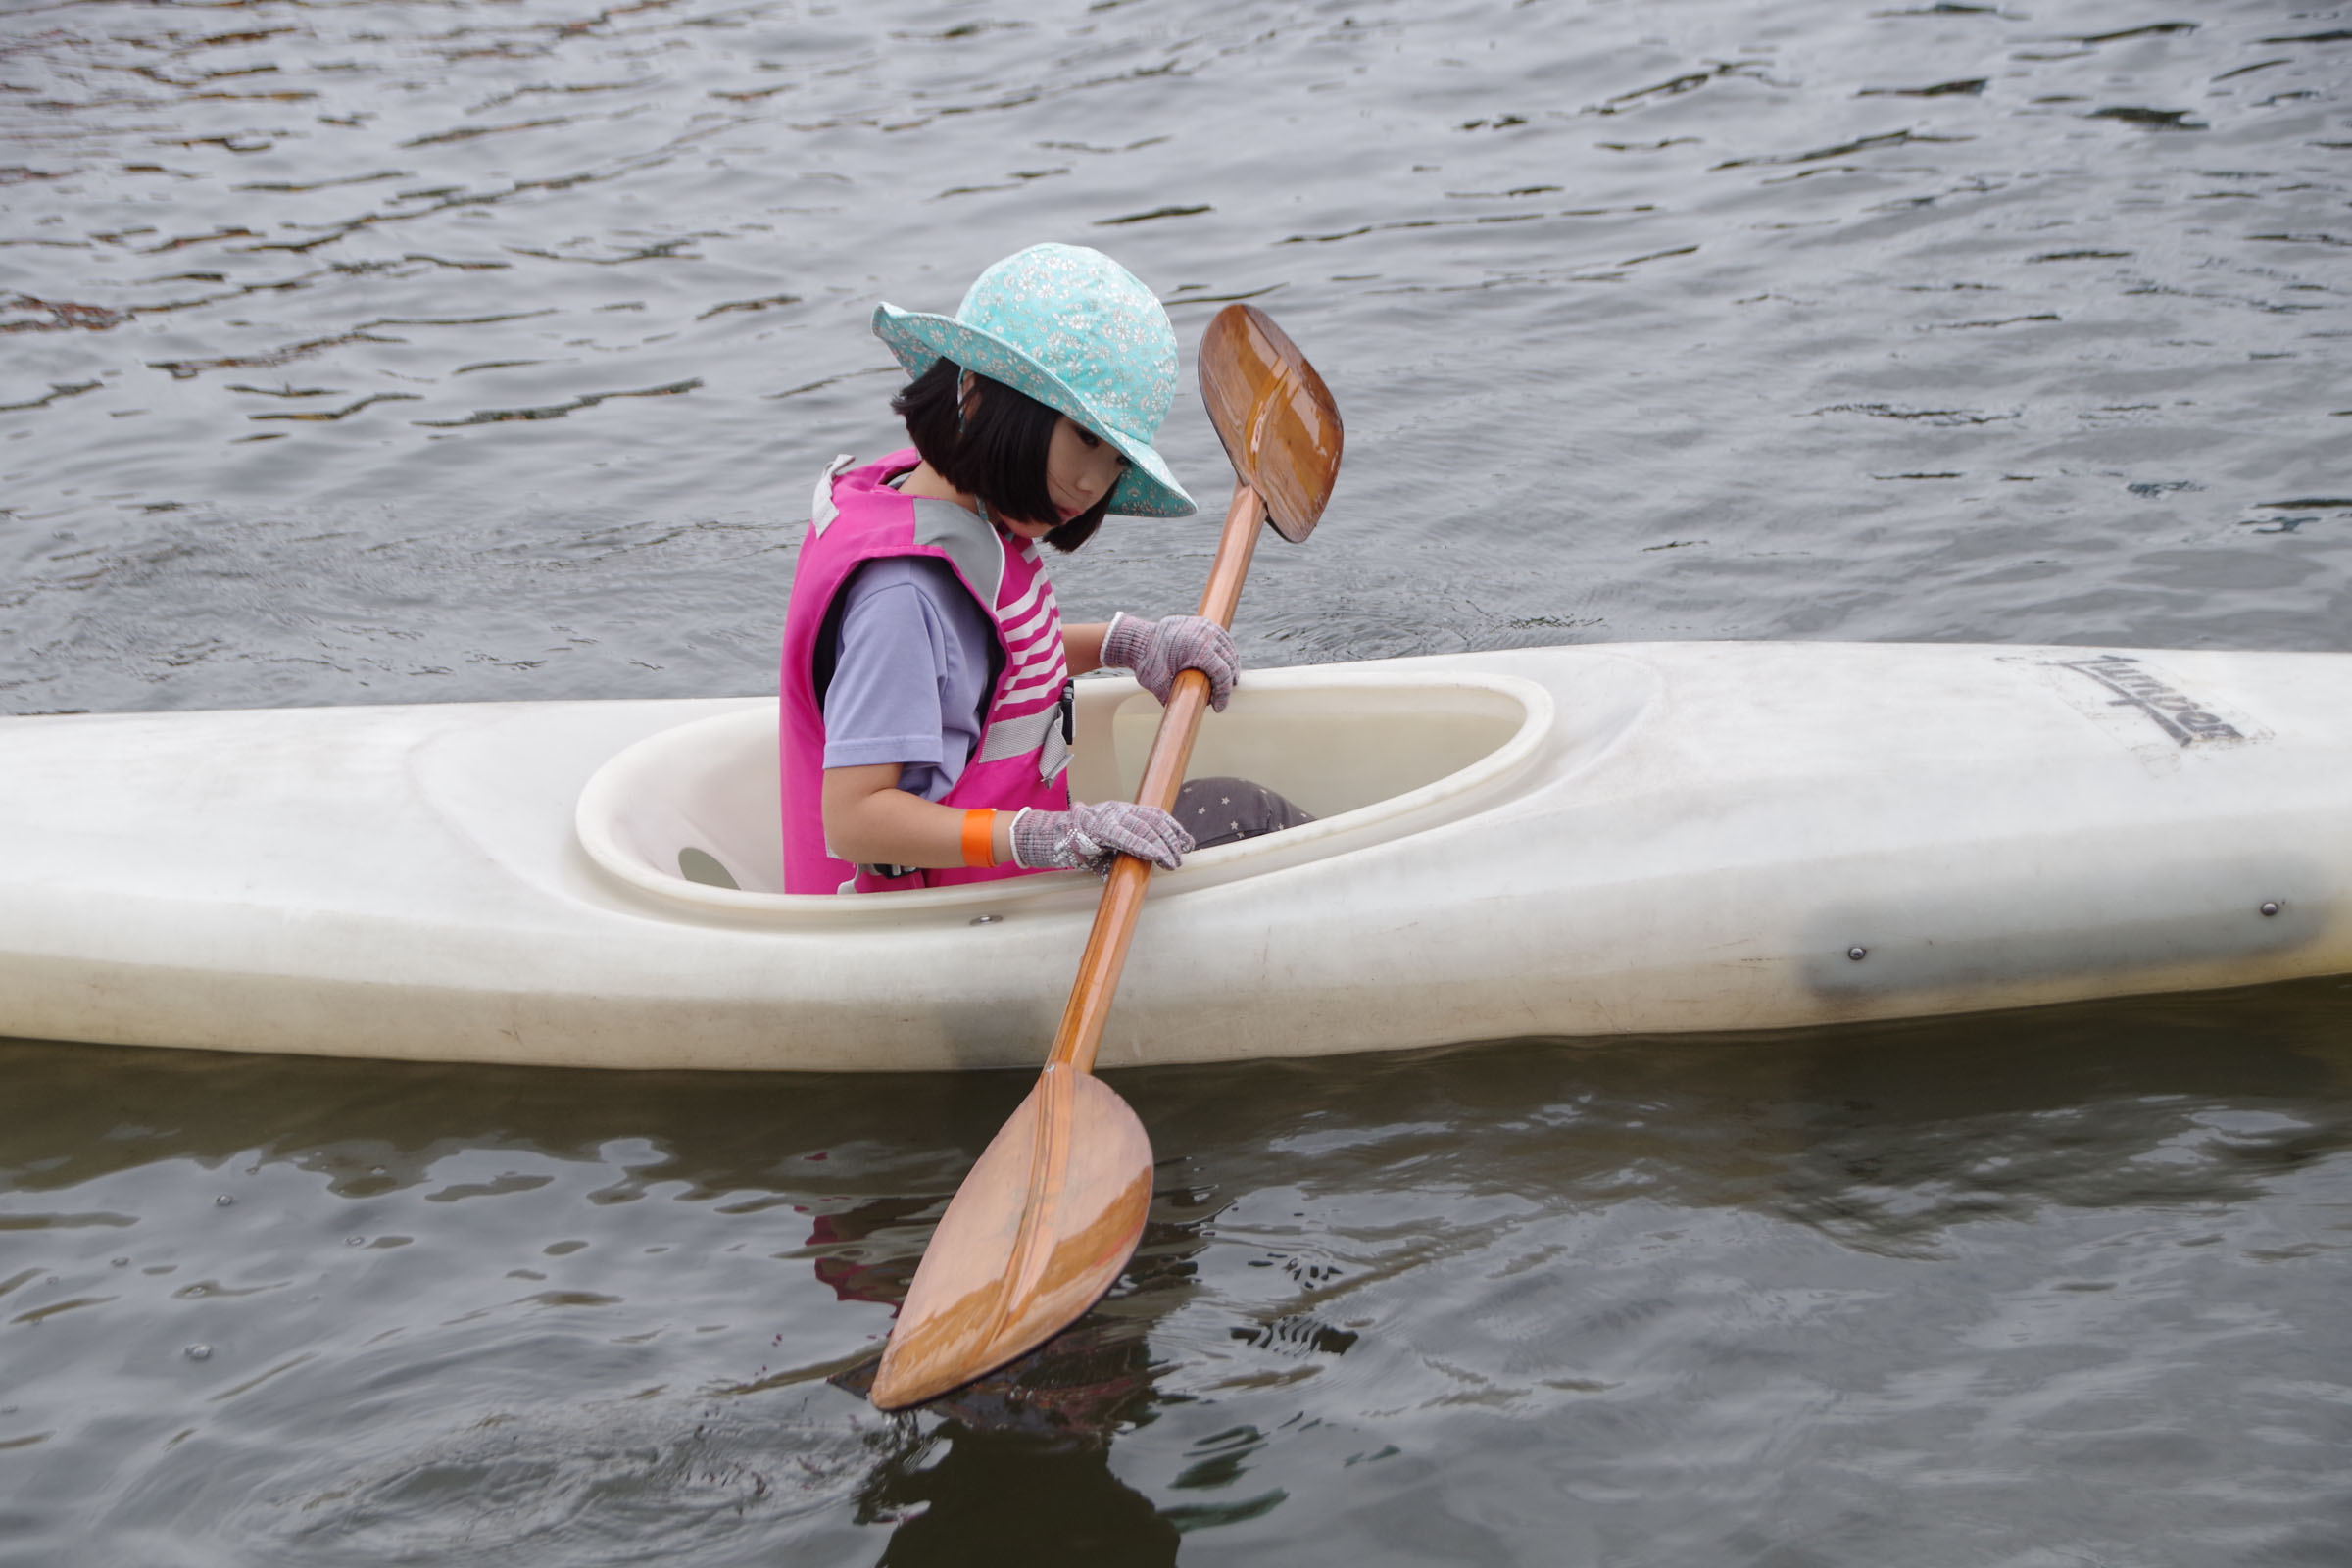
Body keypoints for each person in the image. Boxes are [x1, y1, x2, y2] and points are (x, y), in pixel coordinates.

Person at [778, 243, 1311, 896]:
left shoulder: (936, 504)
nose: (1093, 483)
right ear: (975, 393)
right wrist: (1045, 837)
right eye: (1084, 438)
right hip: (933, 938)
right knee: (1247, 819)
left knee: (1240, 812)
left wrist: (1125, 644)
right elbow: (854, 819)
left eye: (1116, 460)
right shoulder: (899, 593)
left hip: (987, 898)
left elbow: (960, 669)